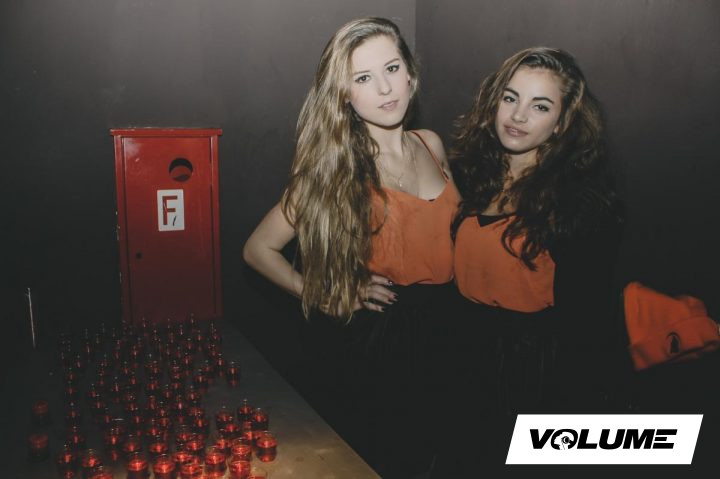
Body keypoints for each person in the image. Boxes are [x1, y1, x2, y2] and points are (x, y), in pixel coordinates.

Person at [243, 17, 460, 478]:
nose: (384, 88)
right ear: (344, 93)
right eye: (363, 78)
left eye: (392, 68)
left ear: (410, 73)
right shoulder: (336, 168)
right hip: (383, 345)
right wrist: (321, 294)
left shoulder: (432, 144)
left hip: (450, 330)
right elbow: (258, 249)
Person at [442, 47, 623, 473]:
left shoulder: (580, 205)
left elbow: (586, 326)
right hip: (462, 359)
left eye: (540, 106)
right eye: (510, 98)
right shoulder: (469, 176)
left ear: (562, 123)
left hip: (532, 375)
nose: (518, 115)